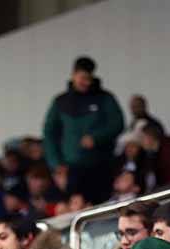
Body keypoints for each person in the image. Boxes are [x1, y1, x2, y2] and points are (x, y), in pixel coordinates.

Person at [43, 56, 124, 203]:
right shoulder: (60, 102)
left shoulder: (104, 98)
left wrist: (97, 138)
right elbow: (49, 134)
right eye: (83, 78)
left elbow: (118, 124)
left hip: (101, 165)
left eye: (89, 79)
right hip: (72, 169)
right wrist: (56, 164)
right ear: (73, 75)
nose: (86, 83)